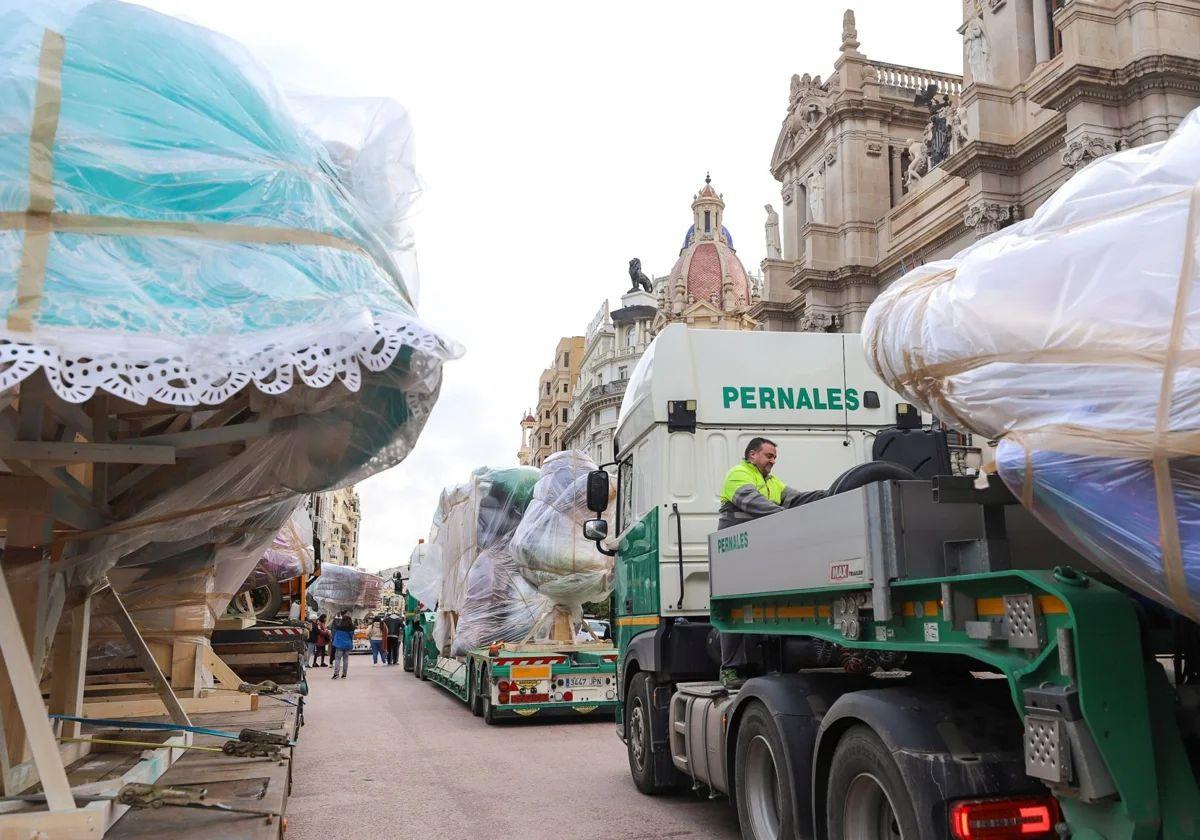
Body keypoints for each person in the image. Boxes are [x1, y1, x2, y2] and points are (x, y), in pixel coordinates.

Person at [717, 437, 825, 687]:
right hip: (733, 552)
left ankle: (764, 665)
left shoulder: (771, 482)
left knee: (760, 607)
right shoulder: (738, 474)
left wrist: (827, 494)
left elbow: (795, 498)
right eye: (769, 456)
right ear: (752, 455)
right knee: (732, 608)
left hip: (756, 550)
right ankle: (729, 670)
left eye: (774, 457)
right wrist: (787, 517)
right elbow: (755, 504)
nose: (772, 461)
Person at [331, 610, 354, 679]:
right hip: (347, 645)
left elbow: (334, 626)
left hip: (339, 645)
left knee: (337, 659)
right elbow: (352, 636)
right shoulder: (351, 628)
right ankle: (344, 674)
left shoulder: (339, 627)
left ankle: (336, 673)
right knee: (346, 659)